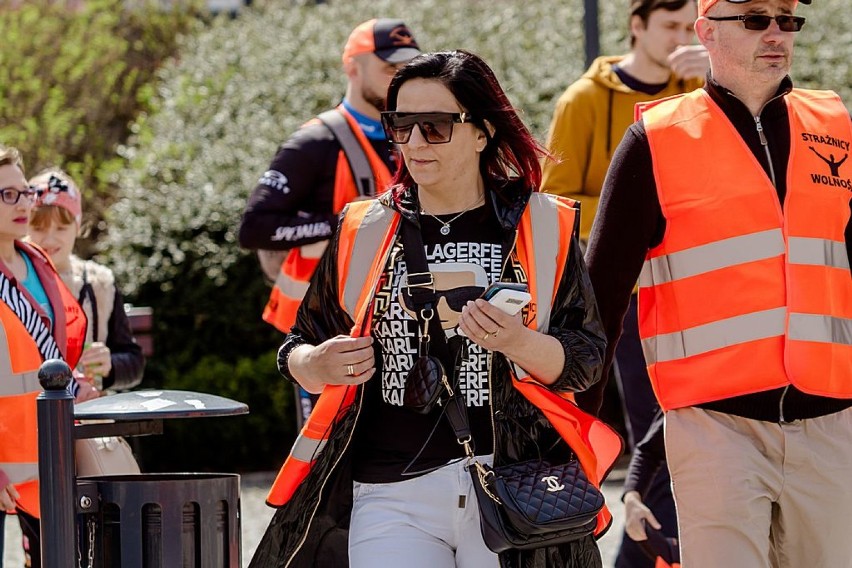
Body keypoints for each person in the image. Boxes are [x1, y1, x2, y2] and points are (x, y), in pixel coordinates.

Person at [249, 50, 622, 568]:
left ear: (482, 130)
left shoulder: (541, 225)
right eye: (401, 126)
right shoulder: (363, 227)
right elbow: (299, 345)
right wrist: (316, 364)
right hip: (387, 492)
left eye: (436, 127)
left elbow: (585, 361)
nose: (414, 143)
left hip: (511, 484)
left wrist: (517, 342)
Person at [586, 0, 852, 565]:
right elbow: (599, 300)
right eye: (756, 19)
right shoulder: (656, 139)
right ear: (706, 31)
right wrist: (572, 433)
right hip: (714, 428)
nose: (777, 33)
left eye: (788, 19)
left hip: (831, 425)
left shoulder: (835, 125)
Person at [541, 3, 707, 565]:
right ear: (637, 25)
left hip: (694, 295)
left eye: (692, 29)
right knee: (657, 437)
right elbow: (553, 204)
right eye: (671, 27)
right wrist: (633, 208)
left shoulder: (703, 87)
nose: (682, 40)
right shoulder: (582, 101)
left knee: (683, 436)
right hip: (622, 298)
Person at [238, 18, 421, 427]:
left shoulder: (415, 135)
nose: (398, 78)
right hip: (325, 332)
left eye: (406, 68)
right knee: (325, 452)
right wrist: (342, 223)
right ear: (352, 66)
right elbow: (254, 227)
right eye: (389, 67)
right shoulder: (315, 142)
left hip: (397, 323)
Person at [0, 146, 91, 567]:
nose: (23, 204)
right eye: (7, 195)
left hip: (46, 452)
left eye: (24, 192)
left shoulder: (36, 261)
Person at [28, 168, 145, 393]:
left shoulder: (99, 284)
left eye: (61, 228)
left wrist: (110, 364)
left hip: (91, 418)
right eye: (38, 228)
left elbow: (134, 361)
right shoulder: (14, 281)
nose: (50, 238)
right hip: (30, 416)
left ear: (77, 227)